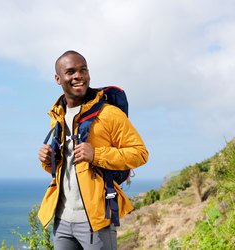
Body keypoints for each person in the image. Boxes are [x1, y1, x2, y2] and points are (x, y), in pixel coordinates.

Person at [38, 50, 149, 250]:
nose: (78, 76)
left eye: (83, 70)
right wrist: (48, 160)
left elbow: (140, 153)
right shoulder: (58, 115)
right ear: (58, 78)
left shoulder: (109, 114)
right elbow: (65, 169)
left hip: (96, 220)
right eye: (70, 72)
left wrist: (96, 155)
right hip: (61, 219)